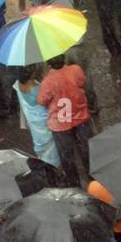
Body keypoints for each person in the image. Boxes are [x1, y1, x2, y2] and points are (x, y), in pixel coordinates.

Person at [36, 54, 92, 186]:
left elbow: (41, 100)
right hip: (80, 117)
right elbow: (82, 81)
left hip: (60, 124)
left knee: (67, 155)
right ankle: (91, 175)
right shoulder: (76, 70)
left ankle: (74, 182)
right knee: (86, 149)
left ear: (49, 64)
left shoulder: (48, 81)